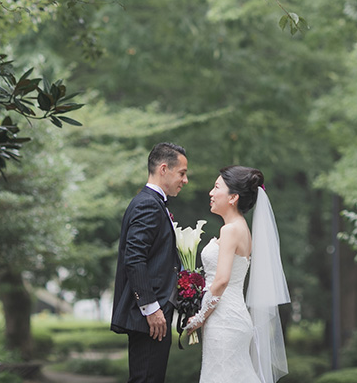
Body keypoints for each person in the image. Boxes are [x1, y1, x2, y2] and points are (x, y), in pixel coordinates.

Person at [185, 166, 290, 383]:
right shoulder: (242, 229)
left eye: (216, 187)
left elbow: (221, 281)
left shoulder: (230, 230)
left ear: (233, 197)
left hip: (224, 321)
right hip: (232, 318)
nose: (211, 193)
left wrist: (197, 318)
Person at [112, 142, 190, 383]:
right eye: (182, 173)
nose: (185, 180)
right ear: (164, 169)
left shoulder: (153, 203)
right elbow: (133, 257)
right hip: (149, 317)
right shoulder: (148, 204)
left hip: (153, 315)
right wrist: (151, 307)